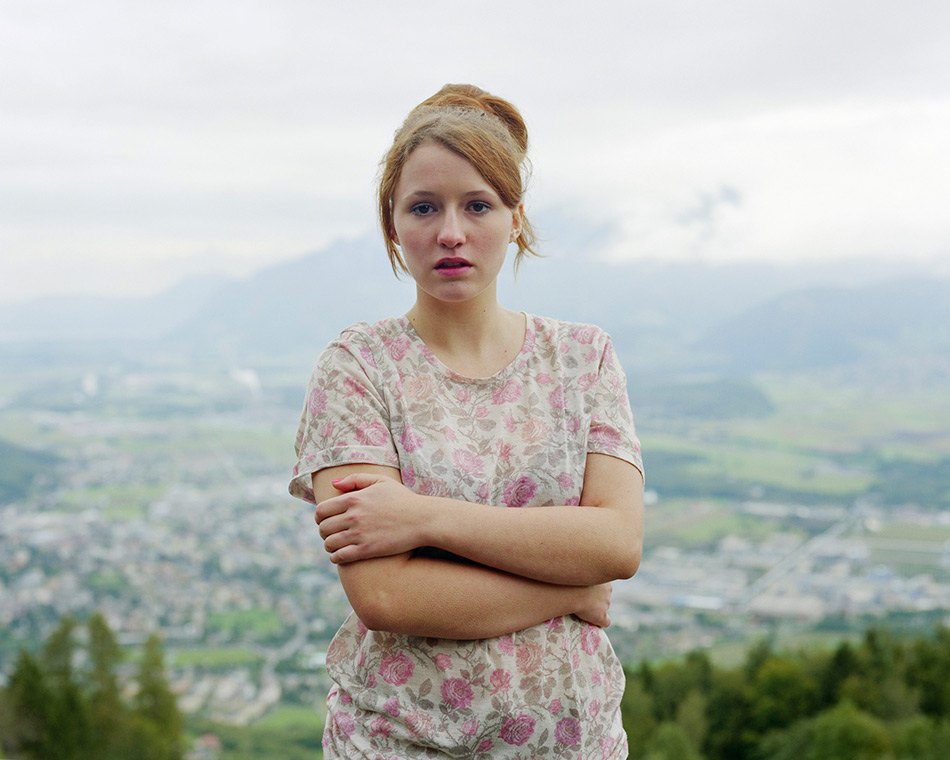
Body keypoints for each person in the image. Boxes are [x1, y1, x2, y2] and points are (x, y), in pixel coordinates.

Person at [289, 83, 644, 759]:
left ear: (515, 218)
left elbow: (617, 545)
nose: (451, 231)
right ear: (393, 225)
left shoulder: (584, 358)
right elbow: (387, 595)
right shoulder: (357, 368)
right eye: (423, 207)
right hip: (403, 744)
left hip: (578, 745)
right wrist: (574, 585)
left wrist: (424, 519)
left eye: (477, 204)